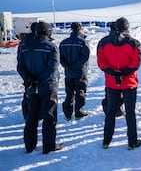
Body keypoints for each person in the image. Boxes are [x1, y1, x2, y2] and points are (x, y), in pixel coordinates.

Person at [17, 21, 63, 154]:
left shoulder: (24, 45)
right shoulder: (51, 47)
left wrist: (29, 79)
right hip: (48, 86)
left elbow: (20, 66)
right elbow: (52, 69)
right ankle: (49, 146)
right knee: (49, 116)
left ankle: (29, 145)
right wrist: (39, 81)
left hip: (31, 87)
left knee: (31, 116)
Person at [97, 17, 141, 150]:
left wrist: (114, 73)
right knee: (130, 112)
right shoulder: (134, 43)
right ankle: (132, 141)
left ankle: (106, 140)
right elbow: (136, 63)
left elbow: (101, 62)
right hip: (129, 82)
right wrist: (123, 73)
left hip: (112, 82)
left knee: (110, 111)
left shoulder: (103, 42)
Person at [59, 22, 90, 120]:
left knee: (69, 93)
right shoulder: (83, 42)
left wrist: (67, 66)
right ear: (80, 29)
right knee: (80, 92)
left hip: (69, 72)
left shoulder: (63, 42)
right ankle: (79, 111)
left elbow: (60, 57)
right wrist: (75, 66)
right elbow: (85, 57)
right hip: (80, 72)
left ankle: (68, 112)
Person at [100, 22, 125, 118]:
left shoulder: (104, 41)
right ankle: (118, 109)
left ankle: (109, 108)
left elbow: (100, 58)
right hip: (122, 70)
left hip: (109, 71)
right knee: (121, 89)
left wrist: (107, 69)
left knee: (110, 90)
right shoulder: (125, 40)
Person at [17, 22, 38, 121]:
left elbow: (20, 63)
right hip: (39, 74)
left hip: (27, 74)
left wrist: (26, 77)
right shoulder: (40, 41)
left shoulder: (23, 42)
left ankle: (27, 115)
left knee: (28, 94)